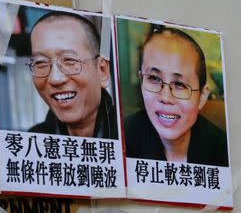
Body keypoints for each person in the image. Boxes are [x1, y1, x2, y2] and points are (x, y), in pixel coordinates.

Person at [124, 26, 229, 166]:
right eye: (154, 79)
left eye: (179, 84)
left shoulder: (221, 150)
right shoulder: (122, 138)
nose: (165, 97)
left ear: (202, 97)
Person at [27, 12, 118, 139]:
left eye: (69, 60)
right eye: (40, 62)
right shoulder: (32, 142)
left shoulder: (131, 138)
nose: (55, 79)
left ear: (102, 70)